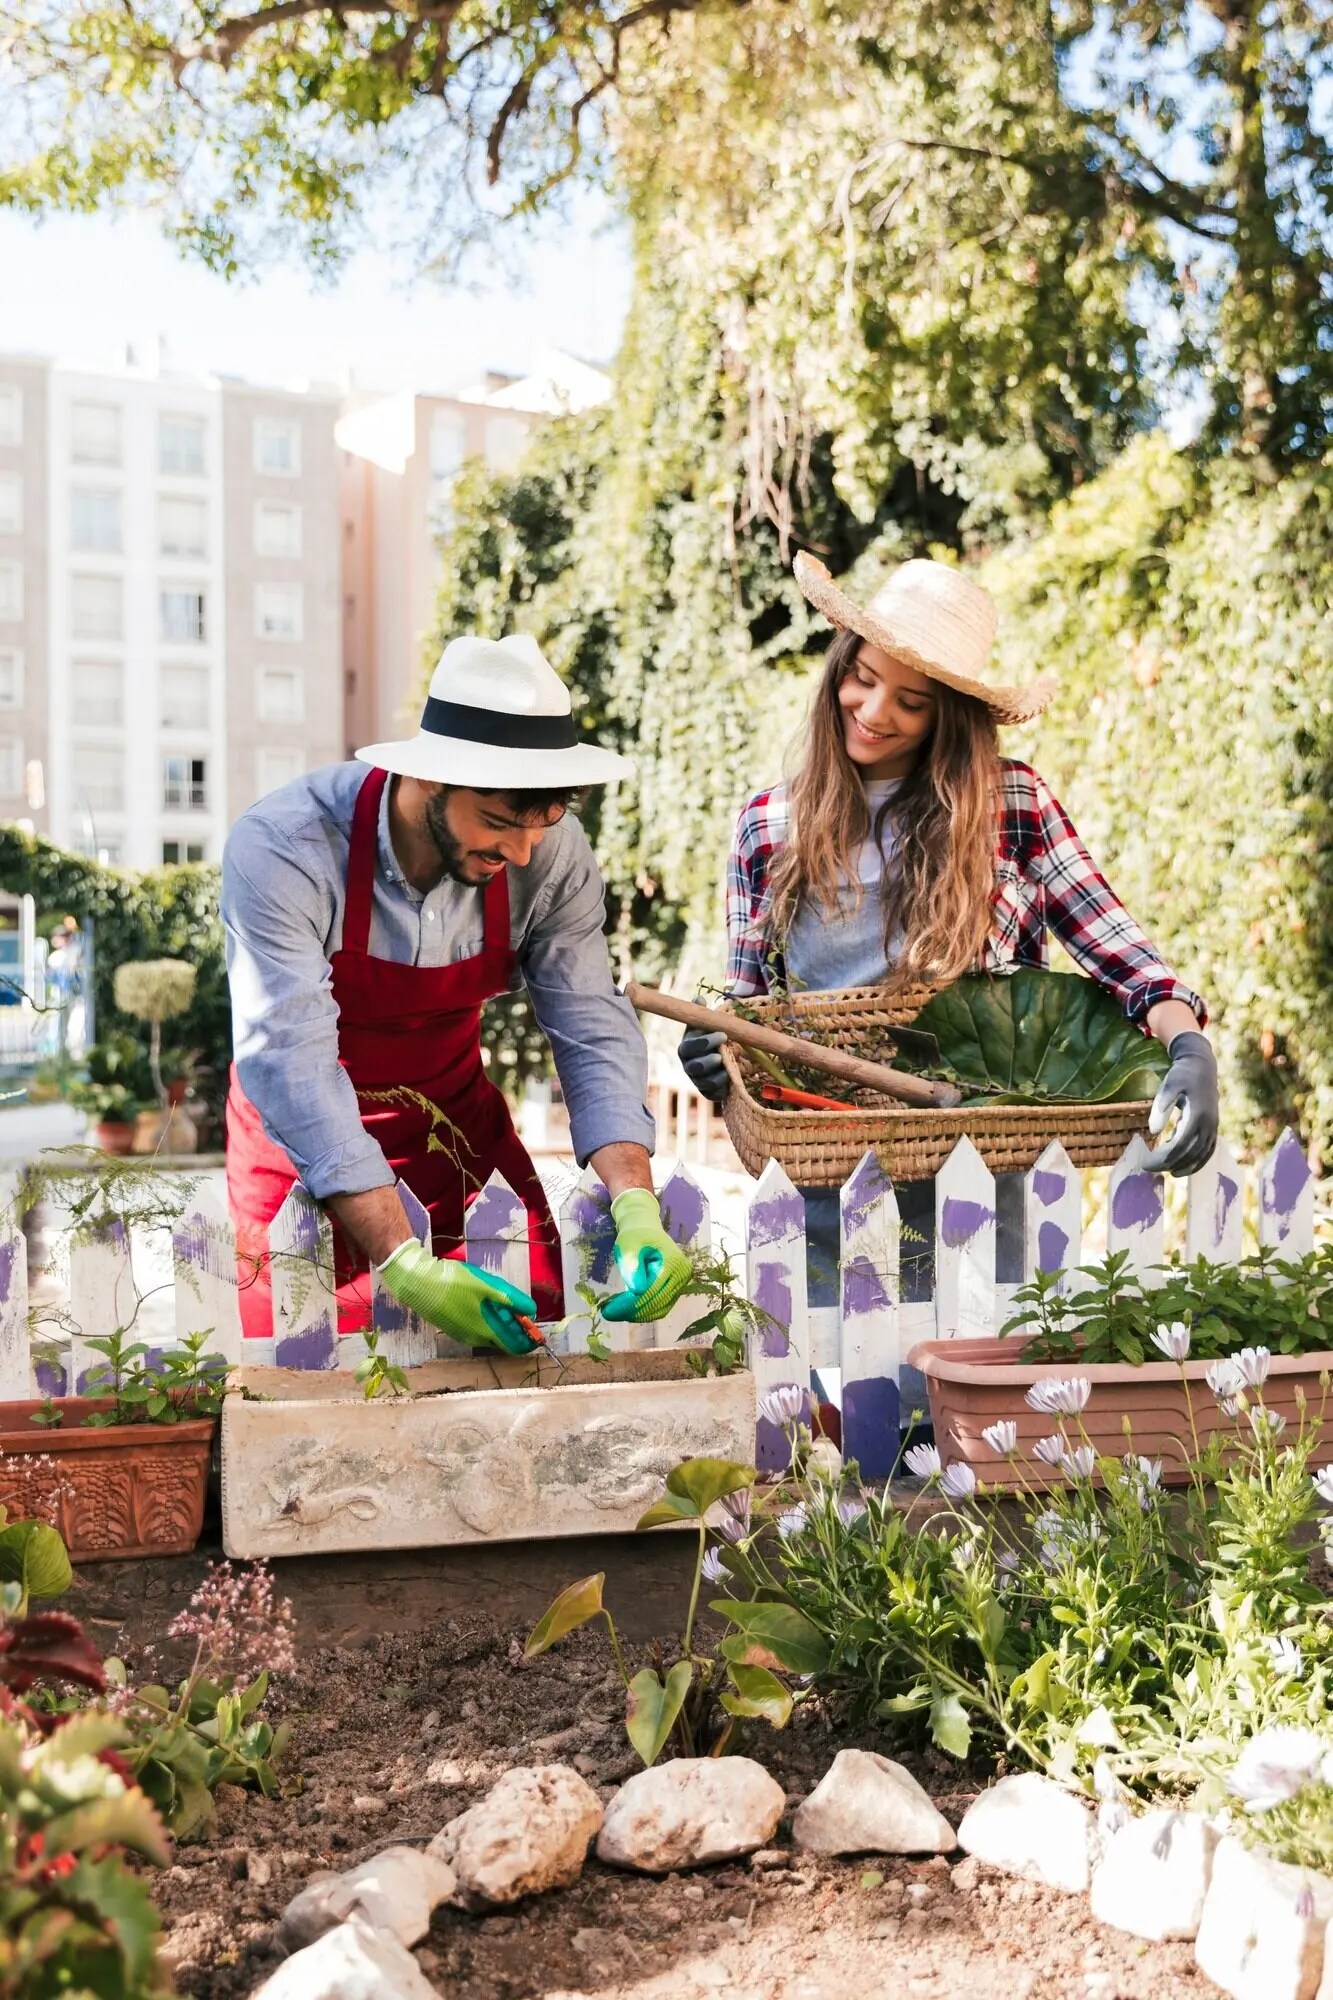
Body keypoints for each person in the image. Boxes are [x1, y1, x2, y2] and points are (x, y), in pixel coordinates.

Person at [679, 553, 1218, 1302]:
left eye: (911, 701)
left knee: (985, 1371)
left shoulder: (1009, 803)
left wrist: (1185, 1045)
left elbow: (1114, 949)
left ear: (949, 717)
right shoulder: (770, 824)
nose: (872, 711)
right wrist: (714, 1054)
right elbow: (744, 1007)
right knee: (847, 1386)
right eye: (861, 678)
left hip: (981, 1149)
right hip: (834, 1153)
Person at [222, 632, 692, 1352]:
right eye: (500, 823)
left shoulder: (546, 850)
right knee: (309, 1372)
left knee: (529, 1348)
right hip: (298, 1146)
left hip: (457, 1134)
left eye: (542, 822)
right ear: (429, 779)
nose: (521, 853)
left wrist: (633, 1199)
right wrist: (403, 1260)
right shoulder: (286, 847)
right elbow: (289, 1054)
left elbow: (590, 1020)